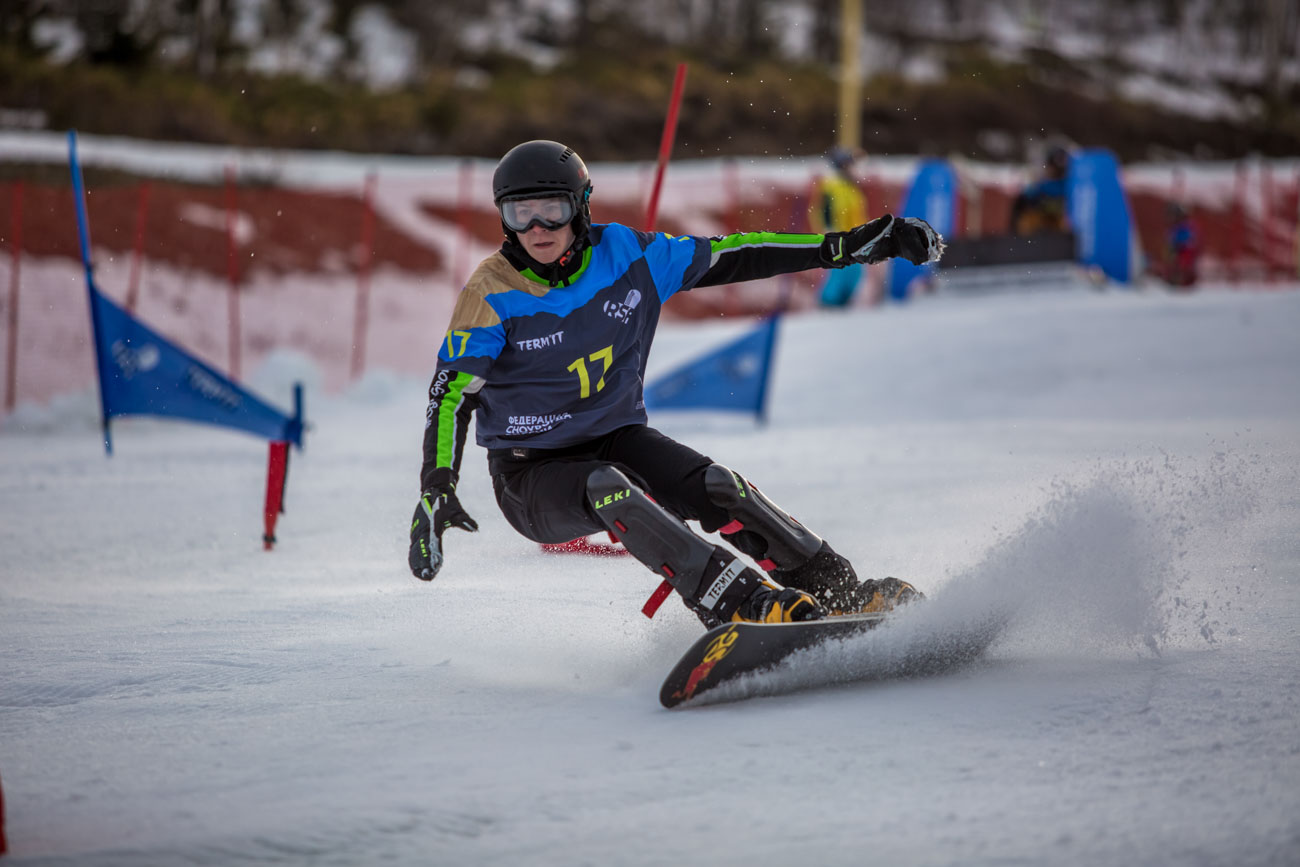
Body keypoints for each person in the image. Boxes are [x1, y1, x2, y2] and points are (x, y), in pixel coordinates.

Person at [408, 140, 941, 628]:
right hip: (531, 474)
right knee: (607, 484)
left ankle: (840, 592)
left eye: (553, 209)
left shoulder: (630, 256)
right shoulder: (490, 291)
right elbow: (452, 395)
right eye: (519, 214)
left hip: (615, 436)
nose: (537, 228)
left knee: (718, 487)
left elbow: (738, 251)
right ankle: (743, 606)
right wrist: (437, 486)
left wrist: (845, 247)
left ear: (581, 207)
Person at [808, 146, 870, 307]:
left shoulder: (850, 186)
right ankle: (828, 304)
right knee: (838, 274)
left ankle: (842, 304)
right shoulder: (832, 185)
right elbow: (823, 210)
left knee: (853, 274)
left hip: (854, 238)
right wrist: (828, 231)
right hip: (839, 238)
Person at [1009, 145, 1070, 236]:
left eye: (1057, 169)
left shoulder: (1069, 186)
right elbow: (1024, 201)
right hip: (1039, 227)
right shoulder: (1040, 185)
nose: (1052, 170)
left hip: (1058, 226)